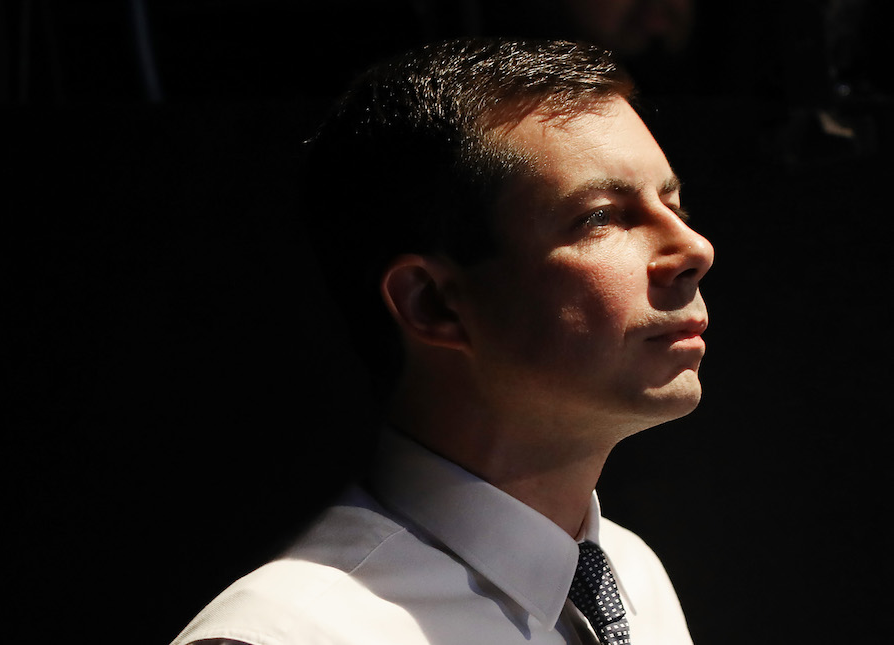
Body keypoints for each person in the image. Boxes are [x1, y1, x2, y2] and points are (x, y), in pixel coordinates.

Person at [171, 37, 712, 645]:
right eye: (601, 216)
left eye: (674, 204)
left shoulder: (631, 575)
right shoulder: (289, 633)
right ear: (433, 304)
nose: (695, 249)